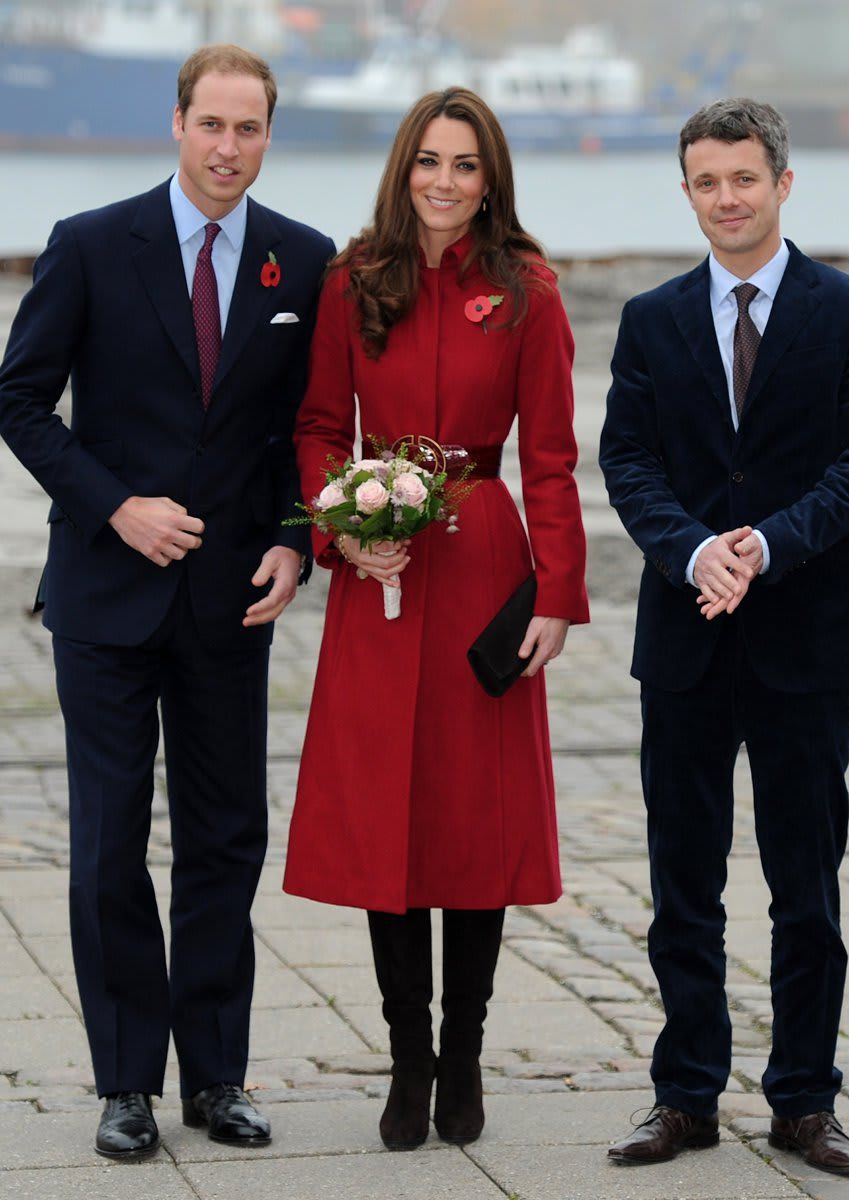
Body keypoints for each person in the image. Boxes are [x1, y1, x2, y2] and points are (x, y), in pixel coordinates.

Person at [0, 46, 334, 1159]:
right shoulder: (94, 244)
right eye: (212, 125)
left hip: (232, 600)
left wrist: (296, 544)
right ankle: (126, 1084)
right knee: (107, 846)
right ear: (178, 122)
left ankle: (218, 1078)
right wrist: (115, 507)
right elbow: (21, 400)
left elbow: (309, 430)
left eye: (249, 129)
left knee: (224, 838)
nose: (228, 147)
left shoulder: (305, 258)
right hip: (105, 596)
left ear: (269, 135)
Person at [598, 98, 849, 1178]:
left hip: (807, 638)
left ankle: (805, 1102)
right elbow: (627, 460)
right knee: (683, 881)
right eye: (706, 183)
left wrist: (765, 546)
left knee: (805, 887)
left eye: (744, 179)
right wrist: (693, 552)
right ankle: (684, 1096)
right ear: (687, 191)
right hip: (683, 639)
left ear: (782, 181)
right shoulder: (651, 318)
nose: (727, 199)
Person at [282, 87, 588, 1152]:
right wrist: (339, 530)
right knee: (388, 818)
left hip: (486, 566)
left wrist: (557, 593)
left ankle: (465, 1059)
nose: (446, 181)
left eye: (466, 164)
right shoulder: (354, 279)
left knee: (473, 818)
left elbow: (552, 457)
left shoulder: (529, 291)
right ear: (404, 168)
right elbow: (321, 426)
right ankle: (405, 1062)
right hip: (382, 565)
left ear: (490, 178)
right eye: (429, 160)